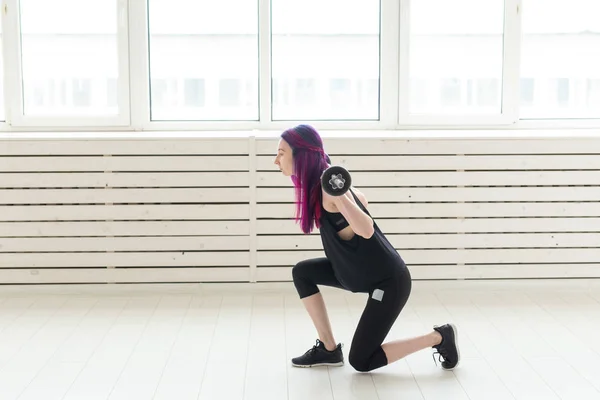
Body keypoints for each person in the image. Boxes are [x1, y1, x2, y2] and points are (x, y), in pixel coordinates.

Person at [273, 124, 460, 373]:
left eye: (281, 153)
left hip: (388, 282)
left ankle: (438, 337)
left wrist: (340, 197)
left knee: (361, 361)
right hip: (352, 273)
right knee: (303, 273)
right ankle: (328, 349)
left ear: (302, 155)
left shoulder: (329, 191)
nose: (276, 160)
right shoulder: (324, 184)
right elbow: (362, 197)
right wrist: (344, 195)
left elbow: (366, 229)